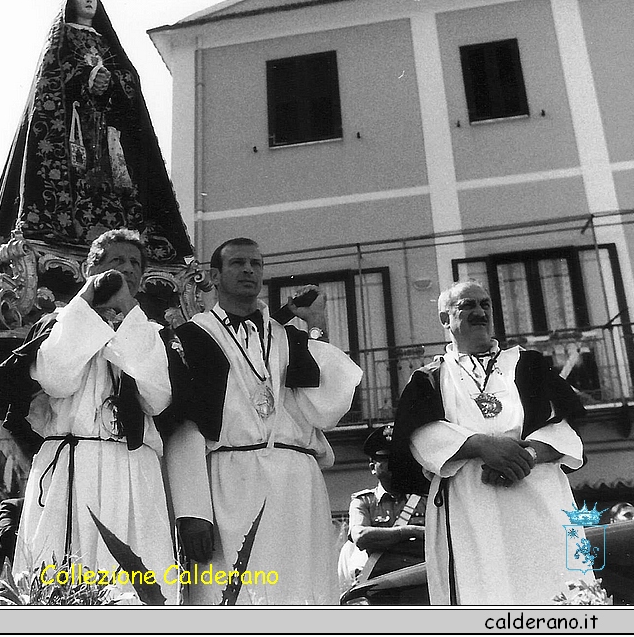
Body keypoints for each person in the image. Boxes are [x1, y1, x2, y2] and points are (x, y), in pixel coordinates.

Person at [0, 0, 192, 349]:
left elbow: (130, 84)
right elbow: (50, 86)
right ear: (71, 2)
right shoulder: (60, 42)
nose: (89, 2)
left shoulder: (107, 44)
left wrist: (113, 83)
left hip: (106, 128)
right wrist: (83, 79)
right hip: (73, 131)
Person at [166, 237, 363, 605]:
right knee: (232, 592)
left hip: (297, 483)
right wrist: (192, 510)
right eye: (238, 263)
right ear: (215, 275)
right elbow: (185, 425)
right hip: (231, 479)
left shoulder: (286, 336)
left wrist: (316, 322)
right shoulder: (192, 337)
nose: (248, 270)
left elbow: (325, 405)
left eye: (256, 264)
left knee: (304, 589)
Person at [390, 279, 586, 605]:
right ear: (444, 319)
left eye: (485, 304)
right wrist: (480, 445)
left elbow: (568, 427)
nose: (480, 312)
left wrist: (527, 456)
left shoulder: (528, 364)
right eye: (467, 306)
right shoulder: (430, 378)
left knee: (556, 590)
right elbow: (418, 437)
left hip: (539, 496)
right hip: (470, 503)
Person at [8, 229, 176, 603]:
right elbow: (56, 379)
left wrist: (128, 315)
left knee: (134, 586)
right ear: (91, 268)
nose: (128, 269)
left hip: (131, 467)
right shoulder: (56, 323)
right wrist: (86, 305)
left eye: (135, 263)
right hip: (71, 463)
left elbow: (157, 397)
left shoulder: (150, 332)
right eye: (116, 261)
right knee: (60, 579)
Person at [344, 424, 426, 599]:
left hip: (423, 585)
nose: (394, 463)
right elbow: (361, 537)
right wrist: (411, 531)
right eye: (386, 458)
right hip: (381, 590)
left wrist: (385, 537)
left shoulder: (427, 499)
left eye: (399, 457)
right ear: (373, 466)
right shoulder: (363, 502)